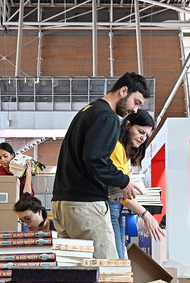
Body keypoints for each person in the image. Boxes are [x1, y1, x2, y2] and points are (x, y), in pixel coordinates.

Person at [51, 72, 150, 259]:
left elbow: (86, 158)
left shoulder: (87, 111)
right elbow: (96, 159)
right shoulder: (107, 116)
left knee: (79, 276)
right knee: (107, 272)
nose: (135, 110)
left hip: (62, 204)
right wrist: (123, 181)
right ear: (123, 91)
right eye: (136, 102)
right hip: (85, 207)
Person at [109, 110, 164, 259]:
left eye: (146, 134)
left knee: (120, 257)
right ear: (128, 125)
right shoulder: (117, 147)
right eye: (140, 131)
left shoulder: (124, 152)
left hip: (117, 208)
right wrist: (145, 214)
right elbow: (119, 190)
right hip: (111, 207)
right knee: (118, 257)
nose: (143, 138)